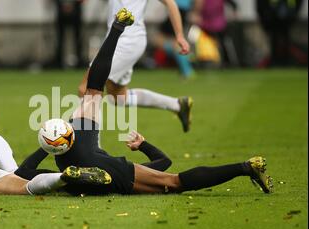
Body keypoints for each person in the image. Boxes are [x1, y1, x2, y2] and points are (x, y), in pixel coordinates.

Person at [16, 8, 274, 196]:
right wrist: (143, 146)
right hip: (88, 151)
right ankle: (117, 30)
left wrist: (50, 145)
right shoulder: (93, 150)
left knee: (174, 183)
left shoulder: (66, 153)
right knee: (95, 90)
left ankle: (245, 167)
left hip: (88, 158)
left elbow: (23, 173)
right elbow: (166, 165)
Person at [78, 0, 193, 133]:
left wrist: (179, 36)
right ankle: (178, 105)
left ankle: (91, 149)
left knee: (87, 88)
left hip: (127, 41)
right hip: (120, 38)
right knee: (118, 97)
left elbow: (170, 3)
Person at [190, 0, 238, 67]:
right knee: (193, 37)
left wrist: (233, 15)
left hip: (216, 25)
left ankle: (224, 62)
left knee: (221, 44)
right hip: (206, 25)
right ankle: (195, 60)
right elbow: (196, 11)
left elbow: (233, 4)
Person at [155, 0, 195, 79]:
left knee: (173, 43)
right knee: (159, 40)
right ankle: (186, 64)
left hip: (178, 10)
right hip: (178, 9)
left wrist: (196, 11)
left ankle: (187, 69)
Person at [256, 0, 304, 67]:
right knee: (274, 41)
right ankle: (275, 62)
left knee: (285, 42)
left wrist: (293, 15)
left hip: (287, 19)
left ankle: (285, 62)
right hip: (272, 19)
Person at [53, 0, 85, 68]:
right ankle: (58, 62)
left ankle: (79, 61)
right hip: (61, 8)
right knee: (60, 38)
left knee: (78, 38)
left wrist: (73, 5)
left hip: (76, 8)